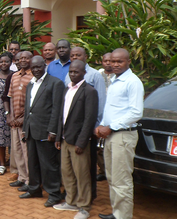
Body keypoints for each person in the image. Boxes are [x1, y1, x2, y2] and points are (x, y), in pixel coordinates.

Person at [95, 48, 143, 219]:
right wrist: (101, 125)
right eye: (113, 61)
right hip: (111, 135)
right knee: (112, 177)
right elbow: (112, 109)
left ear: (128, 62)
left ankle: (123, 216)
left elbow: (136, 112)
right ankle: (117, 213)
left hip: (123, 135)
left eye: (119, 61)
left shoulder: (132, 82)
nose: (115, 64)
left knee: (122, 179)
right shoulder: (116, 80)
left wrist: (111, 126)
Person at [52, 60, 98, 219]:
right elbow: (61, 115)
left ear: (84, 72)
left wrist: (82, 142)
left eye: (76, 72)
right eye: (70, 72)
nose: (72, 74)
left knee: (82, 174)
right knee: (67, 173)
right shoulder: (67, 90)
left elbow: (89, 119)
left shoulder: (89, 91)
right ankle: (70, 201)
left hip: (78, 142)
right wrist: (58, 136)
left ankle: (84, 206)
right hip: (65, 139)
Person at [19, 56, 65, 208]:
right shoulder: (31, 84)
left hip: (46, 131)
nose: (36, 70)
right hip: (32, 130)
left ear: (45, 66)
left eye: (39, 67)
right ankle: (34, 189)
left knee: (49, 164)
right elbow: (28, 109)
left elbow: (57, 109)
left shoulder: (55, 83)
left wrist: (53, 131)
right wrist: (25, 129)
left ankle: (54, 193)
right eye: (34, 68)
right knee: (33, 163)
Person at [68, 47, 107, 201]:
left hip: (88, 128)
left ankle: (90, 194)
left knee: (88, 165)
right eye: (72, 55)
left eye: (78, 54)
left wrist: (95, 127)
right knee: (75, 166)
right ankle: (76, 193)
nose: (75, 57)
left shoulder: (95, 75)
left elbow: (100, 103)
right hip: (72, 129)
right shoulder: (70, 73)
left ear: (85, 56)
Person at [6, 51, 33, 184]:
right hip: (14, 121)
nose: (23, 60)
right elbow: (10, 98)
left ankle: (30, 179)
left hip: (26, 121)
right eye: (21, 58)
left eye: (26, 58)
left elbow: (34, 102)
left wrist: (23, 119)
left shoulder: (34, 77)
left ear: (31, 60)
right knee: (16, 151)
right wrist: (11, 116)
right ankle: (22, 177)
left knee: (26, 152)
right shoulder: (14, 76)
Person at [96, 53, 113, 182]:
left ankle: (111, 171)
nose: (107, 63)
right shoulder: (98, 74)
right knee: (99, 147)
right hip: (100, 113)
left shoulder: (119, 76)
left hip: (112, 116)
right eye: (105, 60)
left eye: (110, 61)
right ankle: (103, 170)